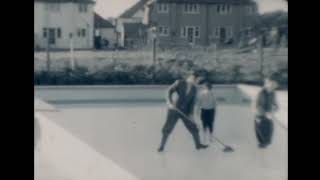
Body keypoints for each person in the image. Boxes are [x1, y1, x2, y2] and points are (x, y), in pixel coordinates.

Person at [158, 71, 208, 152]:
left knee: (193, 127)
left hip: (185, 112)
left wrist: (191, 115)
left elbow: (192, 103)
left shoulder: (194, 89)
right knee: (167, 128)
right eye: (198, 80)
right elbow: (169, 91)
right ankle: (161, 146)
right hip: (174, 109)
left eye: (199, 81)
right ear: (193, 77)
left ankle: (198, 145)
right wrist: (169, 103)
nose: (198, 82)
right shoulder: (180, 83)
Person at [254, 75, 279, 149]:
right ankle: (262, 143)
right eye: (270, 86)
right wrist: (264, 113)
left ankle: (265, 143)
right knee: (261, 128)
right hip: (260, 114)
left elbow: (275, 104)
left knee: (269, 129)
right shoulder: (261, 93)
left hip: (268, 115)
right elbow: (258, 105)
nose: (271, 88)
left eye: (273, 87)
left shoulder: (273, 93)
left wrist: (274, 109)